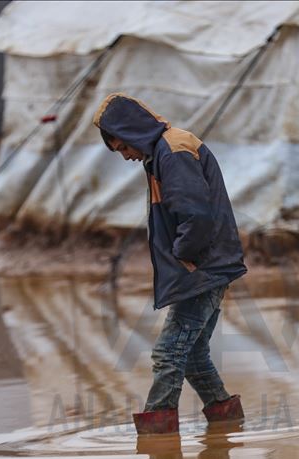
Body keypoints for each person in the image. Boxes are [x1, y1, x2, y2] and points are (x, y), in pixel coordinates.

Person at [93, 93, 246, 434]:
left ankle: (158, 440)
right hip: (206, 266)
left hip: (202, 269)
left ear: (131, 133)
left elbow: (196, 216)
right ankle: (227, 421)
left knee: (168, 354)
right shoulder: (163, 151)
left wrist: (184, 257)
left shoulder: (172, 151)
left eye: (123, 148)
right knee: (192, 355)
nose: (127, 156)